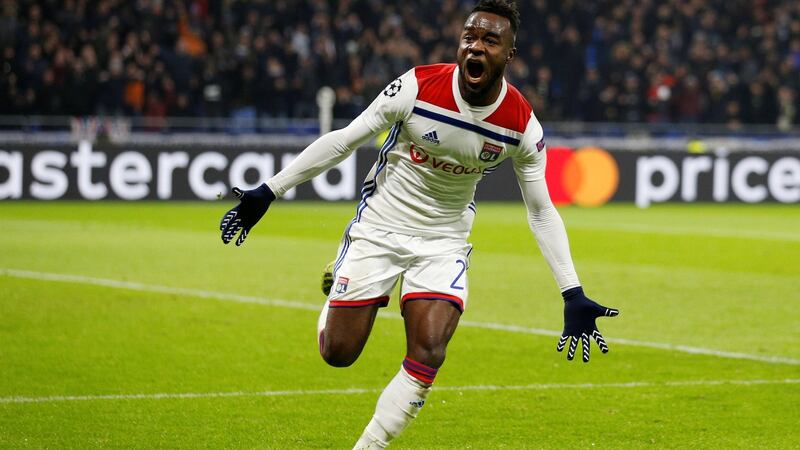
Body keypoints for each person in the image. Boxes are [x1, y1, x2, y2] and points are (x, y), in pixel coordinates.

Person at [219, 1, 619, 448]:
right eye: (470, 36)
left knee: (430, 350)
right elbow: (344, 140)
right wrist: (269, 190)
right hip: (381, 225)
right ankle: (339, 287)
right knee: (339, 354)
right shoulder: (417, 86)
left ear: (510, 53)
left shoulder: (521, 124)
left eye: (490, 40)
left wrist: (572, 290)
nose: (476, 46)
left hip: (444, 238)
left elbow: (541, 210)